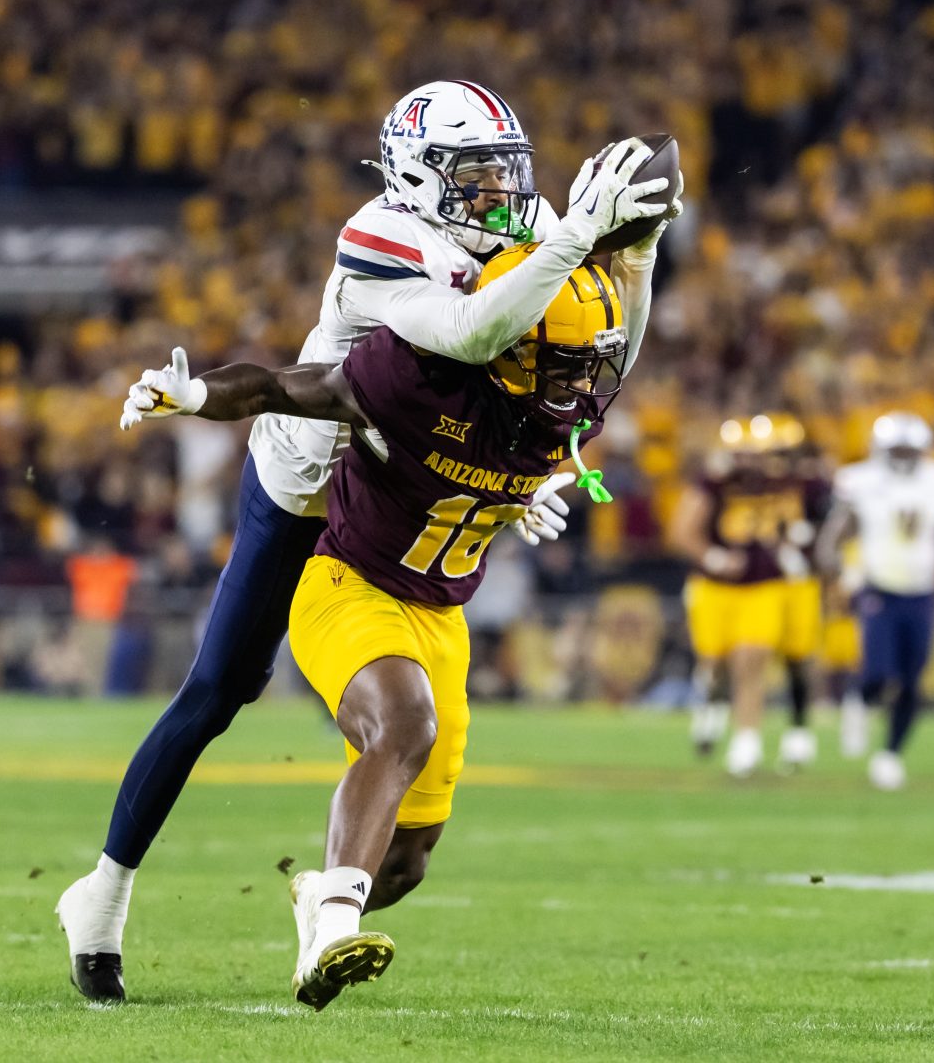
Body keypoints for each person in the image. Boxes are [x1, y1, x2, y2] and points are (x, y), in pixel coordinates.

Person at [55, 80, 681, 1003]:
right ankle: (102, 896)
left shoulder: (531, 224)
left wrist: (540, 462)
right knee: (222, 689)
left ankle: (334, 887)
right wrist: (578, 239)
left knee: (397, 743)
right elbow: (472, 338)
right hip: (316, 470)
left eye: (506, 173)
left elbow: (559, 362)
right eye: (472, 178)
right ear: (416, 179)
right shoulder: (385, 234)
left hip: (420, 473)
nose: (500, 198)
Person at [119, 244, 627, 1008]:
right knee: (402, 726)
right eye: (564, 363)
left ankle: (323, 895)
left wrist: (644, 252)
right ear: (513, 347)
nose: (582, 381)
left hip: (440, 613)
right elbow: (277, 387)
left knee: (407, 861)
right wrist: (190, 396)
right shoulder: (417, 381)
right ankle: (332, 927)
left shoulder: (563, 406)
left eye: (591, 362)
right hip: (349, 586)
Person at [819, 413, 934, 791]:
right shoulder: (861, 481)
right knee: (879, 671)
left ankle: (891, 755)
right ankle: (858, 699)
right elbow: (835, 535)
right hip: (878, 587)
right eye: (895, 450)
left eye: (908, 450)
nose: (902, 457)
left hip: (921, 590)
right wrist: (837, 572)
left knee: (913, 680)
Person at [671, 416, 788, 778]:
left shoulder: (782, 483)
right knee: (713, 664)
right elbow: (681, 531)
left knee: (750, 661)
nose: (752, 462)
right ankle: (709, 712)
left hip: (762, 586)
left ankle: (746, 743)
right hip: (715, 588)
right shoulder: (713, 484)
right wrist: (714, 557)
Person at [767, 413, 833, 770]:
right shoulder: (748, 481)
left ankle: (798, 734)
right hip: (757, 582)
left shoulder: (812, 486)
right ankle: (717, 719)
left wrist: (812, 545)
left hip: (798, 581)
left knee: (798, 658)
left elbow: (832, 526)